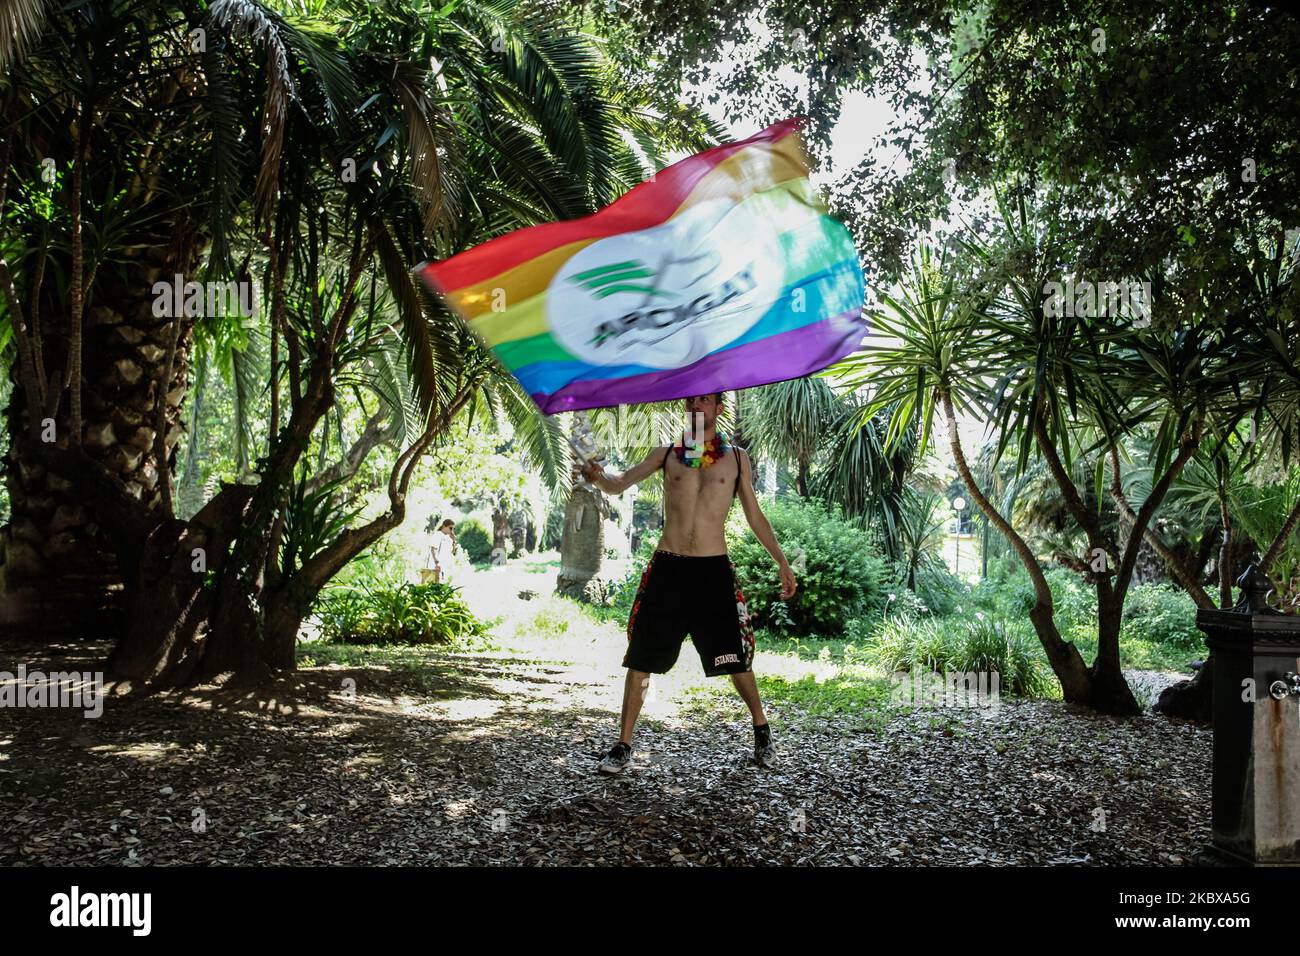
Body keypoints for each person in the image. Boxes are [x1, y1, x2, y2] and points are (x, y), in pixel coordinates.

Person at [577, 391, 797, 774]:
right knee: (641, 658)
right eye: (692, 401)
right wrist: (598, 477)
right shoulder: (666, 452)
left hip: (713, 571)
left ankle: (762, 733)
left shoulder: (737, 459)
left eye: (705, 401)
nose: (697, 407)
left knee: (735, 658)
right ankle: (623, 745)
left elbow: (754, 515)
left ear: (719, 408)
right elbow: (620, 483)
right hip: (669, 568)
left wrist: (782, 562)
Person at [423, 519, 457, 584]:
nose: (452, 530)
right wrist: (436, 563)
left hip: (444, 568)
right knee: (433, 588)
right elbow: (433, 550)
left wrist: (454, 541)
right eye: (450, 528)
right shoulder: (437, 535)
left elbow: (453, 553)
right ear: (444, 526)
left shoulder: (449, 538)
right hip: (435, 568)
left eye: (453, 528)